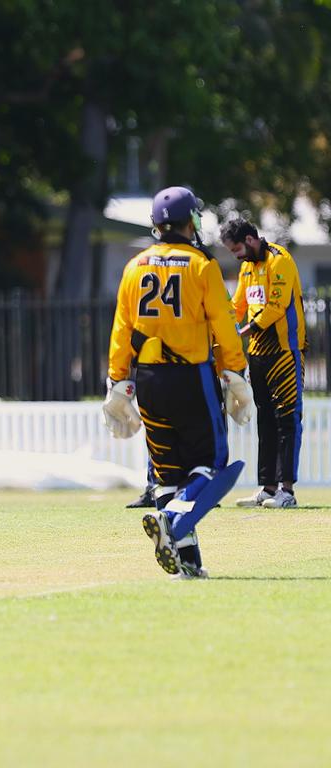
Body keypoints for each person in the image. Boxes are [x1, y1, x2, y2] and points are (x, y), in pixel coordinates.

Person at [103, 186, 255, 578]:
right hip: (191, 376)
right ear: (191, 222)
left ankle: (188, 563)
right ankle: (172, 521)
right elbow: (224, 326)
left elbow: (122, 330)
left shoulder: (134, 266)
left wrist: (116, 382)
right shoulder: (201, 265)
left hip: (149, 380)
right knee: (212, 464)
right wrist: (236, 374)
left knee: (167, 472)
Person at [221, 219, 306, 509]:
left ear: (250, 238)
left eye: (238, 249)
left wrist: (244, 331)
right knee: (266, 419)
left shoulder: (279, 260)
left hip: (285, 351)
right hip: (257, 354)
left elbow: (276, 306)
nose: (237, 255)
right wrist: (222, 324)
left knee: (288, 420)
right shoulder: (248, 268)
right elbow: (237, 306)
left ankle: (287, 491)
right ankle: (269, 489)